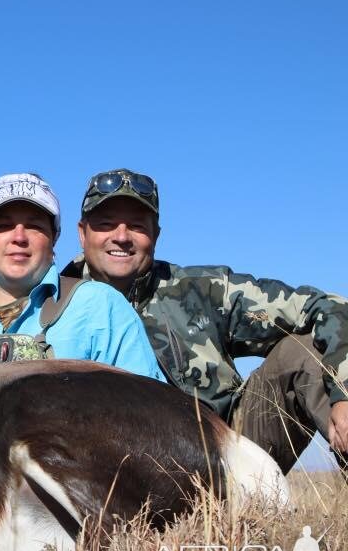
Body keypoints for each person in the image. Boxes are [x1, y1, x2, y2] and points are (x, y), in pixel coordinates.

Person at [63, 168, 348, 473]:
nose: (121, 237)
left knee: (302, 351)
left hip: (226, 456)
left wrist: (344, 391)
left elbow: (326, 306)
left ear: (156, 234)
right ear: (82, 233)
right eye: (106, 224)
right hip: (102, 470)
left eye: (136, 225)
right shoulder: (53, 303)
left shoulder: (203, 290)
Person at [0, 172, 166, 382]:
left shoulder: (101, 308)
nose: (19, 237)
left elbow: (148, 414)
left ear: (53, 239)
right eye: (3, 226)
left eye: (34, 225)